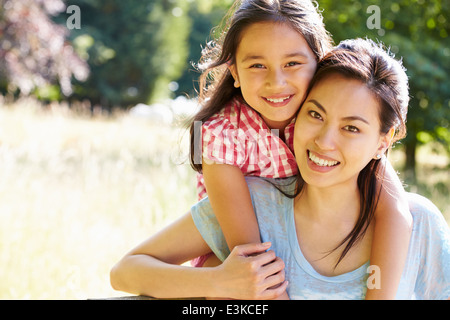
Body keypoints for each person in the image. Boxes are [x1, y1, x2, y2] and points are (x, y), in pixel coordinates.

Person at [110, 38, 450, 300]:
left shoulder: (421, 225)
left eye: (351, 128)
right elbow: (125, 271)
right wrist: (218, 281)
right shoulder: (255, 205)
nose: (324, 141)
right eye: (315, 115)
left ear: (384, 140)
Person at [188, 0, 411, 299]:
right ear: (235, 71)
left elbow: (395, 209)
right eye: (257, 65)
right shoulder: (221, 134)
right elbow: (251, 257)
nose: (276, 82)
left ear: (319, 63)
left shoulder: (320, 122)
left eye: (292, 63)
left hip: (306, 245)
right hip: (234, 254)